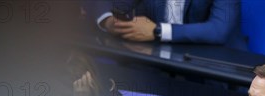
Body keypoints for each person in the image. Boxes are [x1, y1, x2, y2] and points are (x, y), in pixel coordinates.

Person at [86, 0, 247, 49]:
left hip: (214, 66)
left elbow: (218, 30)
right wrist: (109, 21)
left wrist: (158, 31)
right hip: (160, 60)